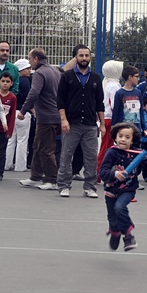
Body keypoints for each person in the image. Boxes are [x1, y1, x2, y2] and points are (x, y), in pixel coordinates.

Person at [99, 122, 147, 252]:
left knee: (119, 207)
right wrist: (115, 174)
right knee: (112, 218)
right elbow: (102, 172)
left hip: (128, 189)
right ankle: (115, 232)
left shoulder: (137, 154)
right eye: (120, 136)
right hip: (111, 190)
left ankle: (128, 236)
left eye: (127, 137)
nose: (123, 139)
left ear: (132, 140)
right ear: (115, 137)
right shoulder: (111, 152)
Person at [55, 44, 104, 198]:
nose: (84, 58)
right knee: (66, 156)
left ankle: (90, 187)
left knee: (91, 157)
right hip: (71, 124)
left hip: (90, 124)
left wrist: (102, 124)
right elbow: (60, 101)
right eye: (81, 55)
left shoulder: (96, 78)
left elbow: (100, 103)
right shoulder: (67, 76)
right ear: (75, 57)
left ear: (90, 58)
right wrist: (63, 120)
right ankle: (64, 185)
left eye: (86, 55)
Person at [19, 48, 61, 189]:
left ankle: (52, 180)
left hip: (46, 116)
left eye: (30, 59)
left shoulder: (39, 72)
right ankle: (35, 176)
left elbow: (34, 92)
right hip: (53, 114)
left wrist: (23, 110)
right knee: (37, 146)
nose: (29, 62)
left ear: (36, 59)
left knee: (46, 149)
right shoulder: (55, 71)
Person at [6, 59, 33, 172]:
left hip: (13, 112)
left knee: (11, 140)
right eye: (27, 68)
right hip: (23, 113)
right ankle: (20, 166)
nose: (29, 70)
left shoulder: (13, 82)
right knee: (22, 140)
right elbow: (28, 97)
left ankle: (7, 164)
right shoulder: (25, 81)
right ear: (21, 70)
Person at [98, 59, 124, 167]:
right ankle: (100, 170)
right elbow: (114, 105)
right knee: (107, 147)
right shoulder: (114, 86)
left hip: (107, 118)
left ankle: (101, 169)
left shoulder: (108, 83)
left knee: (106, 146)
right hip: (111, 119)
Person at [0, 71, 17, 181]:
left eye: (8, 81)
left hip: (3, 129)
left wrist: (9, 131)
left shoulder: (12, 97)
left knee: (1, 151)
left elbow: (12, 115)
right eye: (3, 81)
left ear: (11, 83)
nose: (5, 83)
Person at [110, 65, 143, 134]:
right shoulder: (119, 93)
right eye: (136, 76)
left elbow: (141, 111)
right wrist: (113, 127)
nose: (138, 79)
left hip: (137, 127)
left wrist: (144, 127)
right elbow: (116, 111)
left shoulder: (138, 92)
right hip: (124, 127)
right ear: (130, 77)